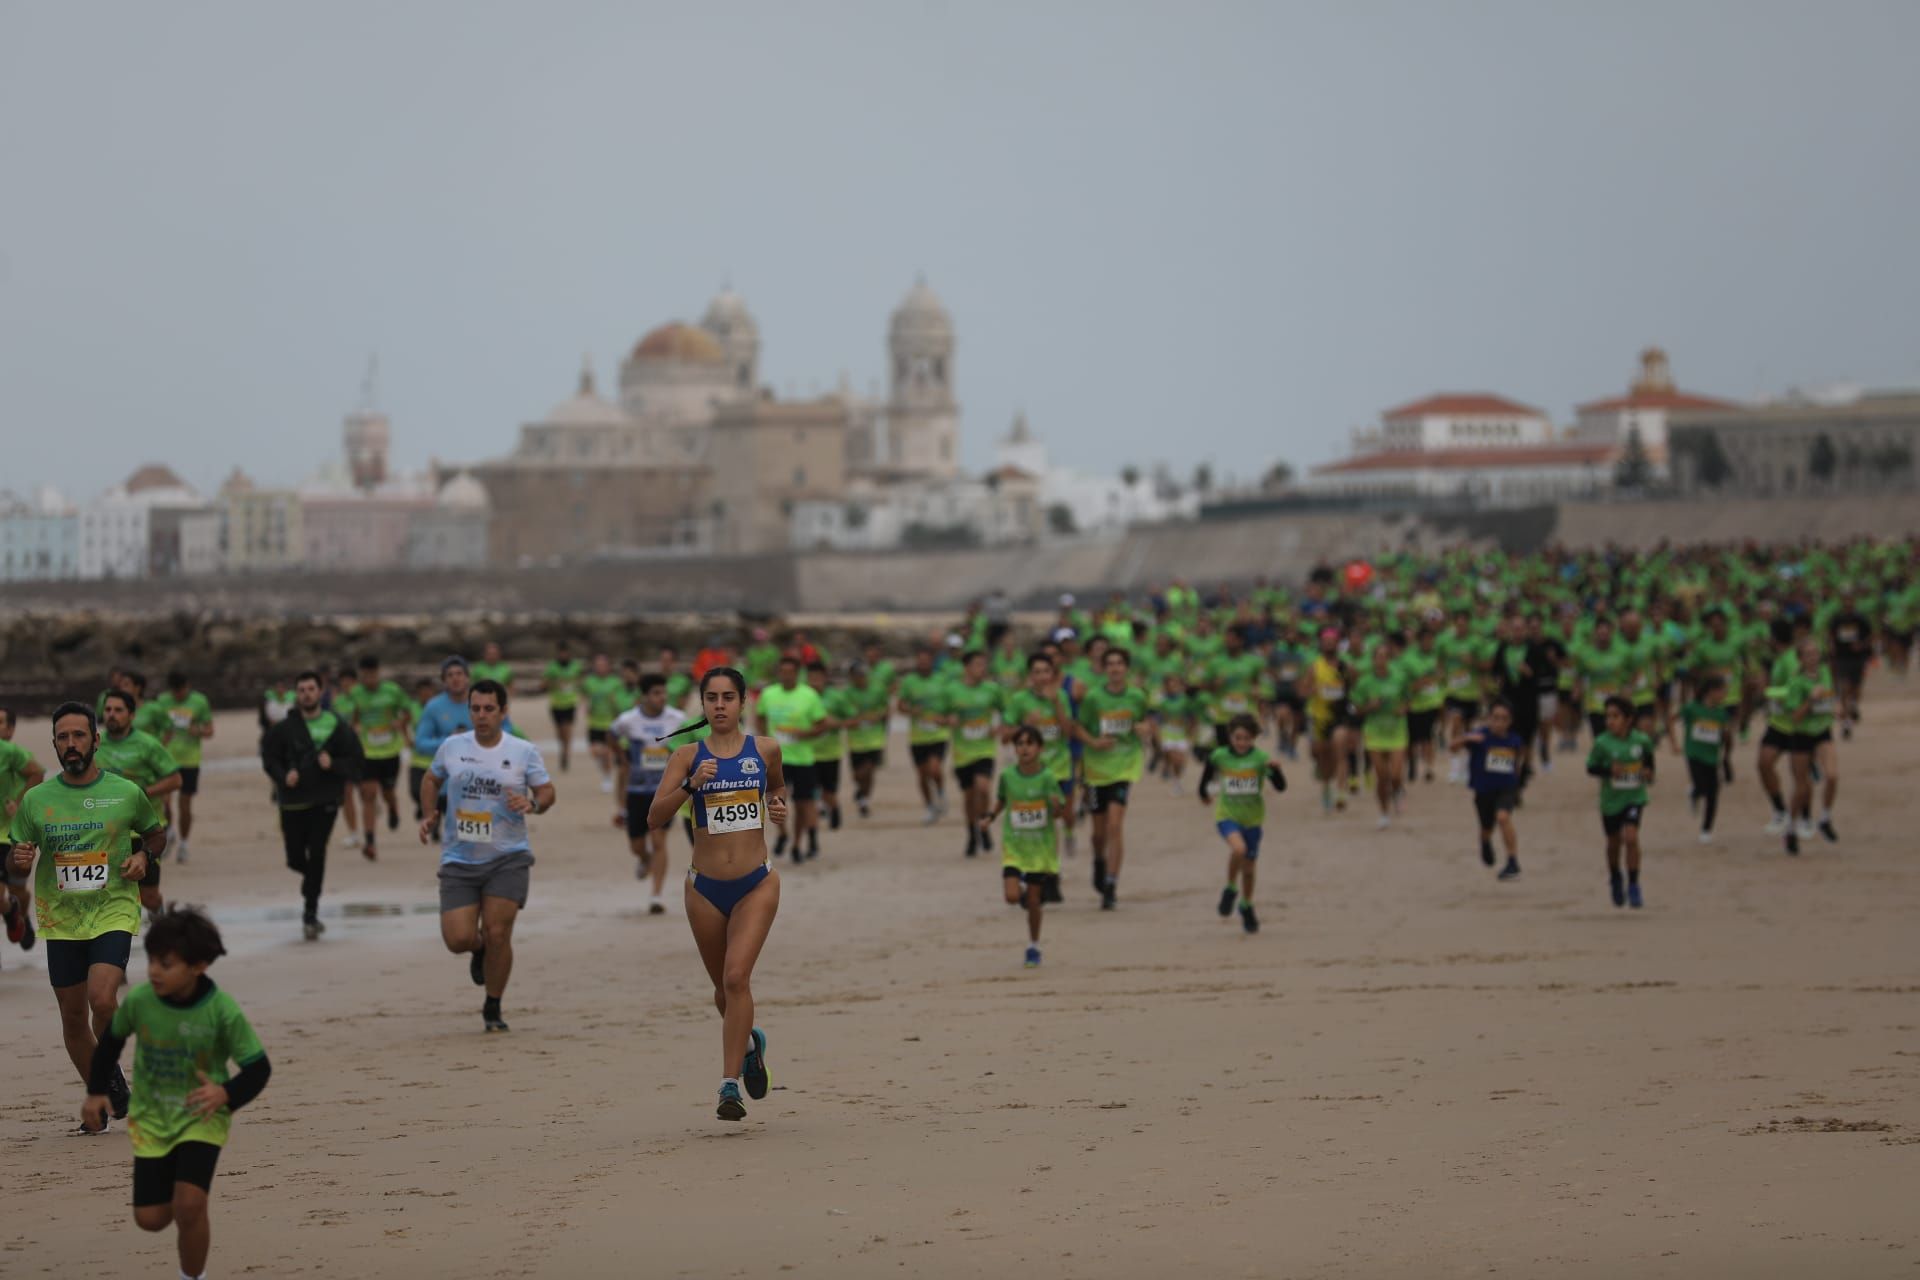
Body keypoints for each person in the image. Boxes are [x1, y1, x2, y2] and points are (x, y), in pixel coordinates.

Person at [82, 906, 270, 1280]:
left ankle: (192, 1276)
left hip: (202, 1118)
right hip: (151, 1120)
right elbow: (110, 1044)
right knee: (150, 1219)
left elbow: (258, 1068)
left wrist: (226, 1095)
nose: (153, 971)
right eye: (151, 960)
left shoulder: (221, 1010)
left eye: (166, 964)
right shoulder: (140, 1002)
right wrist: (97, 1091)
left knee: (190, 1206)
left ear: (198, 966)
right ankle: (173, 1197)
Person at [7, 701, 166, 1128]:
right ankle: (108, 1086)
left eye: (79, 736)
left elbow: (155, 834)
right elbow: (16, 857)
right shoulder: (36, 800)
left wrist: (143, 858)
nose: (71, 744)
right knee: (75, 1018)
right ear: (55, 745)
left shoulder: (125, 792)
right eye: (63, 737)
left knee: (102, 998)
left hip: (112, 907)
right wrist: (19, 859)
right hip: (61, 917)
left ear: (95, 740)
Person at [648, 667, 786, 1122]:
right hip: (703, 889)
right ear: (702, 704)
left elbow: (778, 788)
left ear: (744, 702)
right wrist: (691, 785)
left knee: (735, 979)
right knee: (722, 992)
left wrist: (778, 805)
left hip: (756, 883)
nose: (720, 705)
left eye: (729, 697)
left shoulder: (764, 749)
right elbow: (654, 818)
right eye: (712, 698)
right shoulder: (686, 756)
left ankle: (729, 1087)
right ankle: (750, 1044)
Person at [418, 679, 555, 1032]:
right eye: (475, 709)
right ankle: (477, 950)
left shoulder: (522, 750)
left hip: (508, 856)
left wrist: (533, 803)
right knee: (458, 939)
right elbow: (431, 780)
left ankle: (493, 1006)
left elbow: (547, 791)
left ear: (503, 711)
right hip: (459, 858)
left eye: (489, 709)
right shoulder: (452, 747)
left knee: (498, 932)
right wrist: (428, 813)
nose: (482, 715)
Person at [261, 671, 364, 940]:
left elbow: (355, 760)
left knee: (317, 852)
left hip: (325, 800)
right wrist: (284, 776)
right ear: (297, 695)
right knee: (295, 858)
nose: (307, 694)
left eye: (311, 689)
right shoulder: (283, 729)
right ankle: (312, 881)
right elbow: (269, 758)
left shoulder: (336, 725)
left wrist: (335, 765)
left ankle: (310, 914)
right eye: (302, 689)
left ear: (321, 692)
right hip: (292, 803)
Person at [1074, 647, 1154, 910]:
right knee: (1098, 834)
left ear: (1126, 668)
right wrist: (1093, 742)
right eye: (1110, 664)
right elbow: (1078, 727)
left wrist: (1145, 729)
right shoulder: (1094, 698)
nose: (1115, 668)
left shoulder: (1137, 695)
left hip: (1124, 767)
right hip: (1096, 771)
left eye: (1120, 663)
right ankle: (1098, 860)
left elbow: (1145, 723)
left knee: (1115, 826)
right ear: (1104, 668)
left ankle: (1110, 884)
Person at [1196, 714, 1288, 934]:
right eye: (1237, 738)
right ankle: (1230, 889)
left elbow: (1280, 787)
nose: (1241, 743)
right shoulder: (1219, 756)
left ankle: (1247, 904)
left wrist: (1276, 771)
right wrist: (1203, 794)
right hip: (1227, 815)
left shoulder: (1260, 759)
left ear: (1253, 738)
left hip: (1253, 820)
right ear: (1230, 737)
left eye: (1246, 738)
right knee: (1239, 849)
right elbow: (1206, 776)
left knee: (1249, 869)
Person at [981, 725, 1064, 967]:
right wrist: (990, 816)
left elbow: (1057, 813)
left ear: (1040, 748)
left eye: (1029, 743)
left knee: (1034, 903)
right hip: (1015, 846)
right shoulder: (1008, 776)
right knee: (1011, 896)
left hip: (1040, 848)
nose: (1024, 748)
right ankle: (1027, 895)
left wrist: (1056, 804)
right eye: (1020, 744)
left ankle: (1033, 946)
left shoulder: (1048, 778)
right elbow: (1002, 800)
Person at [96, 690, 182, 917]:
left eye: (118, 710)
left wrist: (143, 792)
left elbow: (175, 779)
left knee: (148, 896)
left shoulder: (147, 744)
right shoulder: (93, 744)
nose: (111, 715)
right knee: (102, 891)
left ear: (132, 715)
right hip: (104, 831)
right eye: (108, 710)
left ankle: (159, 919)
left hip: (144, 832)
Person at [611, 674, 686, 914]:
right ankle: (644, 859)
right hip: (636, 790)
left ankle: (657, 895)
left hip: (665, 790)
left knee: (659, 840)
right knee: (637, 844)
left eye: (664, 692)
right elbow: (611, 735)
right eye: (656, 693)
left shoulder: (678, 719)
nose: (661, 697)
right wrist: (623, 761)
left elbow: (688, 745)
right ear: (643, 696)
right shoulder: (628, 720)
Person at [1003, 651, 1077, 870]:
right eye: (1037, 672)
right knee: (1044, 823)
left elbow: (1068, 732)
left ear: (1053, 674)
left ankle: (1070, 833)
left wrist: (1058, 706)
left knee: (1066, 815)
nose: (1042, 676)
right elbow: (1005, 737)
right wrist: (1025, 724)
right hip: (1033, 773)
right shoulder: (1019, 700)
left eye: (1046, 671)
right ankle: (1049, 871)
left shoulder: (1061, 696)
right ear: (1030, 676)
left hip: (1061, 768)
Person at [755, 655, 827, 863]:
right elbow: (759, 717)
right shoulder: (768, 694)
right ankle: (782, 833)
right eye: (782, 672)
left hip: (803, 759)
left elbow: (821, 724)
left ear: (797, 674)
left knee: (803, 804)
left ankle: (797, 843)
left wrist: (805, 733)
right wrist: (763, 740)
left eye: (790, 672)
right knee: (775, 801)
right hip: (776, 759)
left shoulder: (809, 695)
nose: (786, 676)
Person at [1586, 696, 1655, 909]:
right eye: (1608, 717)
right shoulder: (1601, 743)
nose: (1610, 721)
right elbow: (1591, 768)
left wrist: (1648, 773)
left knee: (1631, 837)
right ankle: (1616, 876)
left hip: (1634, 797)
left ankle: (1634, 884)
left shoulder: (1641, 741)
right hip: (1610, 802)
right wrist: (1609, 771)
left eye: (1615, 716)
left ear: (1628, 719)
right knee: (1614, 843)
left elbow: (1650, 765)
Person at [342, 654, 411, 861]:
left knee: (388, 791)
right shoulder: (355, 693)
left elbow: (406, 711)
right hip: (367, 751)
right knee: (368, 794)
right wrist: (354, 727)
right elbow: (352, 718)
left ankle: (393, 807)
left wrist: (401, 722)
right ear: (360, 675)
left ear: (378, 673)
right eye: (365, 676)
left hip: (390, 750)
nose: (369, 679)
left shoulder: (392, 690)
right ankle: (370, 841)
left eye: (372, 675)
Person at [1452, 700, 1525, 879]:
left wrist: (1517, 787)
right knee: (1486, 826)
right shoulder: (1480, 736)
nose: (1499, 722)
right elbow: (1452, 748)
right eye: (1495, 718)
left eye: (1504, 719)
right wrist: (1466, 738)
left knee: (1503, 817)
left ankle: (1512, 861)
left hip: (1506, 789)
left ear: (1510, 721)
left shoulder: (1514, 740)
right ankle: (1485, 842)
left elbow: (1517, 764)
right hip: (1483, 791)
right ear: (1489, 719)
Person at [146, 671, 213, 863]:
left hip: (190, 760)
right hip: (166, 760)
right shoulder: (162, 701)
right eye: (175, 693)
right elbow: (155, 727)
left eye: (181, 692)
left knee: (185, 805)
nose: (178, 696)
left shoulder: (200, 701)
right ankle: (170, 831)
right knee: (165, 802)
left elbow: (210, 730)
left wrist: (198, 730)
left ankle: (183, 843)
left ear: (188, 686)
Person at [946, 650, 1005, 858]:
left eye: (984, 664)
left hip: (984, 749)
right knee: (969, 796)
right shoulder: (952, 690)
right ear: (967, 667)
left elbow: (1006, 711)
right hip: (962, 752)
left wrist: (999, 728)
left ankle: (984, 824)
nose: (982, 669)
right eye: (978, 665)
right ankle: (972, 833)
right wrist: (948, 720)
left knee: (984, 787)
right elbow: (941, 714)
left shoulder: (992, 689)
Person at [0, 709, 47, 951]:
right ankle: (10, 914)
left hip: (9, 835)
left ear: (10, 729)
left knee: (18, 890)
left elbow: (38, 772)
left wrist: (18, 802)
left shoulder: (10, 753)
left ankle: (21, 915)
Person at [1351, 641, 1409, 830]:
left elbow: (1409, 699)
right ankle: (1384, 812)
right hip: (1374, 733)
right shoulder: (1365, 682)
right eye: (1378, 656)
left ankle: (1399, 790)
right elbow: (1356, 709)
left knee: (1395, 774)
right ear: (1373, 660)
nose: (1381, 660)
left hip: (1396, 731)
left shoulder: (1399, 678)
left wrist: (1403, 708)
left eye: (1385, 656)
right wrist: (1370, 706)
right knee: (1382, 777)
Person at [1670, 676, 1729, 845]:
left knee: (1713, 793)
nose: (1724, 695)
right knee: (1702, 786)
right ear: (1711, 691)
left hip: (1712, 757)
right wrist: (1674, 743)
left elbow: (1725, 736)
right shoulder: (1692, 709)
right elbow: (1671, 719)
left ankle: (1706, 829)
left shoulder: (1720, 713)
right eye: (1722, 691)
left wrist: (1726, 758)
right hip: (1694, 755)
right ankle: (1694, 792)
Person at [895, 647, 951, 824]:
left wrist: (945, 718)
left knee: (934, 769)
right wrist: (911, 710)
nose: (923, 663)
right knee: (922, 775)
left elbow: (951, 704)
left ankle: (941, 793)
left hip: (938, 734)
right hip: (918, 737)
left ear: (932, 662)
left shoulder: (942, 680)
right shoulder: (909, 681)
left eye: (927, 660)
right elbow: (900, 706)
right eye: (920, 660)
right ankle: (929, 806)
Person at [841, 662, 891, 819]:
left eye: (862, 676)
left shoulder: (878, 689)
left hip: (875, 739)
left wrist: (880, 717)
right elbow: (845, 713)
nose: (860, 679)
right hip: (856, 740)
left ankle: (864, 800)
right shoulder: (847, 693)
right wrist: (855, 718)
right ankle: (860, 790)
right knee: (857, 774)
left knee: (869, 770)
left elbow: (887, 708)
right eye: (857, 676)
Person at [581, 653, 628, 793]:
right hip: (594, 722)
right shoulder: (589, 681)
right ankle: (605, 769)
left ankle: (607, 778)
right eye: (598, 665)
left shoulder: (615, 682)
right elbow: (584, 695)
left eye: (603, 665)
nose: (600, 667)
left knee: (607, 752)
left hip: (609, 722)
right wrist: (586, 705)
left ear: (608, 666)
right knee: (595, 751)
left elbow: (620, 700)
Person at [542, 641, 584, 772]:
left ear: (569, 653)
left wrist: (578, 689)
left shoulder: (576, 666)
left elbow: (581, 681)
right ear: (558, 653)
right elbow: (544, 683)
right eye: (561, 653)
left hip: (570, 703)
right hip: (556, 703)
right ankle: (563, 747)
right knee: (560, 732)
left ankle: (565, 754)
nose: (563, 655)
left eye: (566, 653)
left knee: (567, 730)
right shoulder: (552, 667)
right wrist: (554, 683)